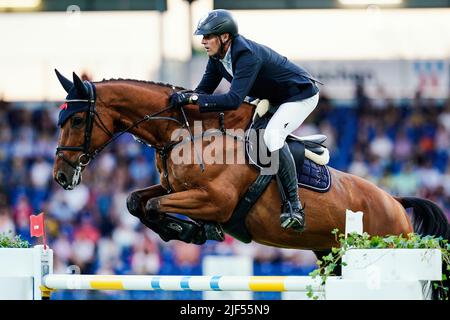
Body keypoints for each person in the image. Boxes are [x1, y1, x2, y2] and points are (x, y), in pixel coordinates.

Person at [170, 9, 320, 232]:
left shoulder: (246, 54)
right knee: (244, 135)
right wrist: (181, 100)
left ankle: (294, 207)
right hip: (273, 97)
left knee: (270, 136)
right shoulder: (217, 58)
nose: (203, 41)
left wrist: (191, 98)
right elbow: (203, 91)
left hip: (298, 96)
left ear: (225, 37)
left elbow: (232, 99)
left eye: (208, 36)